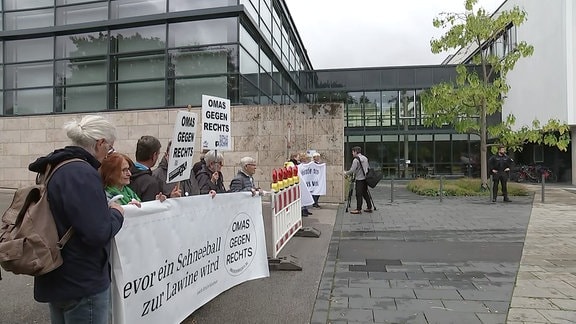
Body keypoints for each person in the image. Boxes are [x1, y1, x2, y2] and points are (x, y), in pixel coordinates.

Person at [28, 115, 124, 324]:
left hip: (57, 273)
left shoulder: (56, 166)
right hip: (81, 279)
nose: (109, 155)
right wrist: (116, 214)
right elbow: (97, 233)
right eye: (110, 149)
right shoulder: (82, 173)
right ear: (100, 143)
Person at [129, 135, 180, 202]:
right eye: (158, 154)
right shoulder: (151, 183)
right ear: (154, 155)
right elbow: (152, 209)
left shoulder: (126, 175)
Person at [345, 146, 372, 214]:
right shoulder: (365, 158)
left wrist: (345, 173)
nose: (352, 153)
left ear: (355, 152)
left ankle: (358, 209)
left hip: (359, 179)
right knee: (365, 193)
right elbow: (368, 167)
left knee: (358, 194)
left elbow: (352, 170)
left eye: (353, 152)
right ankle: (369, 207)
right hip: (365, 179)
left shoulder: (356, 160)